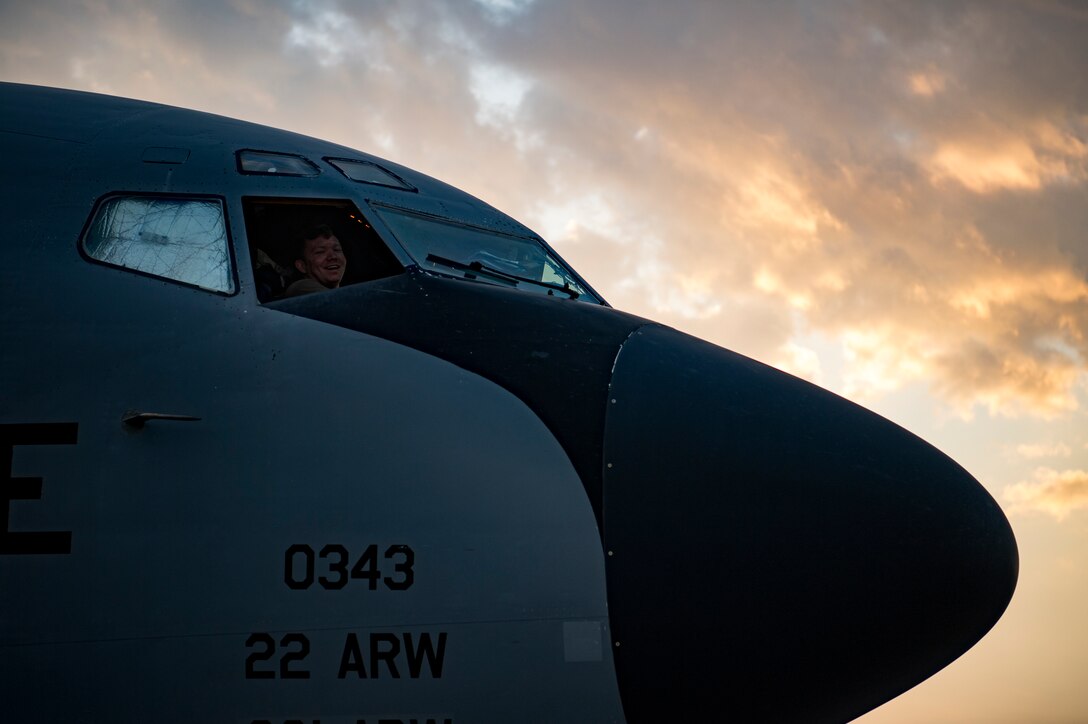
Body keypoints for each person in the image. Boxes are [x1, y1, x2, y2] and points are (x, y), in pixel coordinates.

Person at [284, 224, 347, 297]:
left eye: (337, 250)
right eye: (320, 252)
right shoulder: (301, 288)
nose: (333, 256)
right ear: (302, 266)